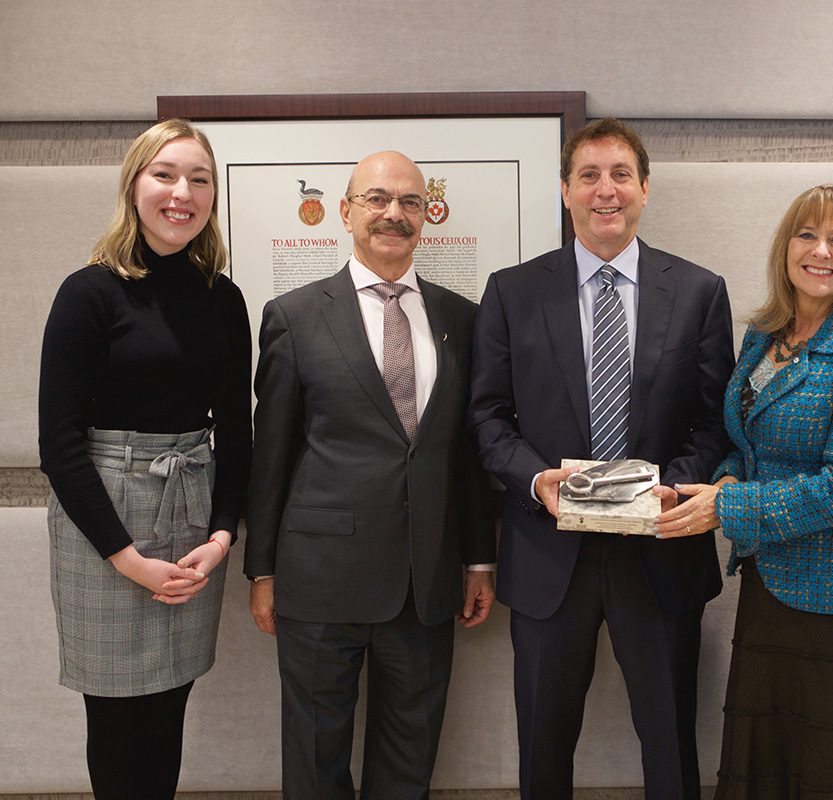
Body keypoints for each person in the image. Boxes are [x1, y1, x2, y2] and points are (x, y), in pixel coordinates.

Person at [468, 117, 734, 799]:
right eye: (589, 175)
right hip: (549, 553)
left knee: (672, 747)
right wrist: (535, 480)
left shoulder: (700, 292)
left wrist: (669, 490)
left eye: (620, 175)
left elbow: (714, 421)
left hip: (661, 550)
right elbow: (488, 417)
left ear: (645, 189)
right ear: (565, 190)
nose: (605, 190)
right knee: (544, 748)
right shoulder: (512, 291)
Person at [657, 184, 833, 798]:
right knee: (776, 761)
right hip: (773, 584)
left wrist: (725, 505)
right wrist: (725, 474)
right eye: (808, 235)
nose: (822, 251)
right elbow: (748, 441)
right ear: (787, 248)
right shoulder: (767, 334)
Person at [244, 150, 496, 799]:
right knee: (314, 757)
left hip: (425, 579)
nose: (394, 213)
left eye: (411, 202)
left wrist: (478, 560)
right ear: (346, 211)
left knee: (409, 757)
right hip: (317, 582)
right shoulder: (295, 316)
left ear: (427, 217)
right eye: (378, 199)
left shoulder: (462, 320)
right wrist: (262, 570)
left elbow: (465, 455)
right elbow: (270, 454)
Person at [38, 118, 251, 799]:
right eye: (164, 175)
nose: (180, 192)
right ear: (134, 185)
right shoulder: (88, 292)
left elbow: (237, 435)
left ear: (214, 195)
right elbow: (60, 445)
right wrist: (126, 558)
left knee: (169, 705)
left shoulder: (224, 298)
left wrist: (221, 537)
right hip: (104, 517)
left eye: (199, 178)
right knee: (118, 718)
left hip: (191, 508)